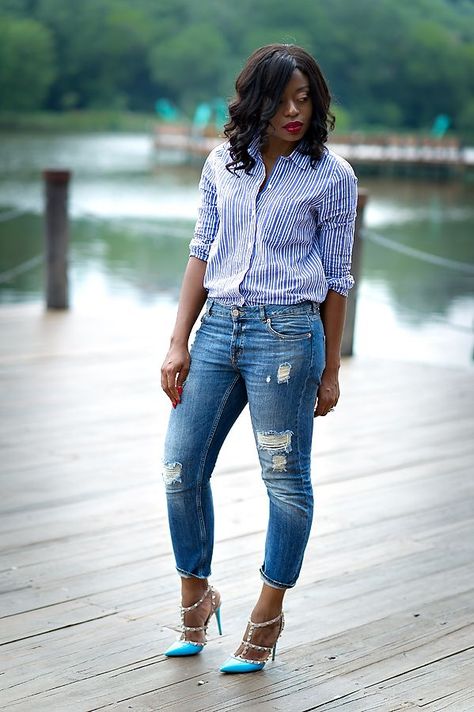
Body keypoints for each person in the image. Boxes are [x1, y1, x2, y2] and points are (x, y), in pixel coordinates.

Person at [160, 43, 358, 674]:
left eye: (307, 99)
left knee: (285, 482)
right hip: (217, 329)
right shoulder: (223, 164)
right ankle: (197, 594)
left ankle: (267, 618)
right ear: (256, 101)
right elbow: (202, 247)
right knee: (180, 469)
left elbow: (337, 278)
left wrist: (329, 369)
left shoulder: (332, 176)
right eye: (283, 99)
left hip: (287, 337)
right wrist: (177, 340)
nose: (295, 111)